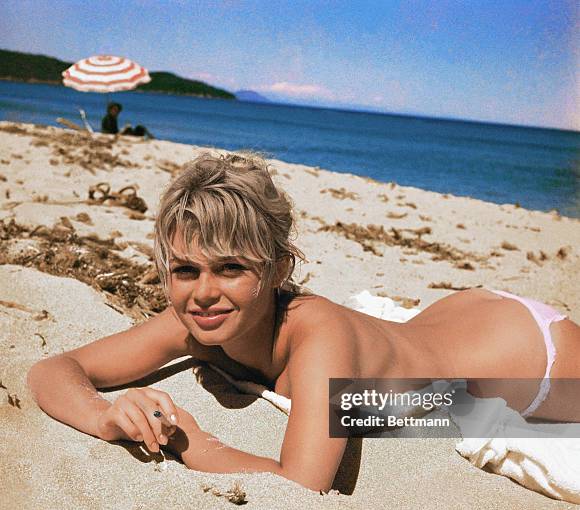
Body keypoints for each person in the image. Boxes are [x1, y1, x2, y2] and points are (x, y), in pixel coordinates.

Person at [27, 152, 580, 492]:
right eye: (186, 270)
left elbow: (303, 483)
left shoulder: (320, 335)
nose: (204, 293)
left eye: (230, 269)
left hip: (533, 353)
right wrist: (105, 416)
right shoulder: (196, 320)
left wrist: (190, 440)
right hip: (456, 318)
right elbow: (55, 369)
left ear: (279, 269)